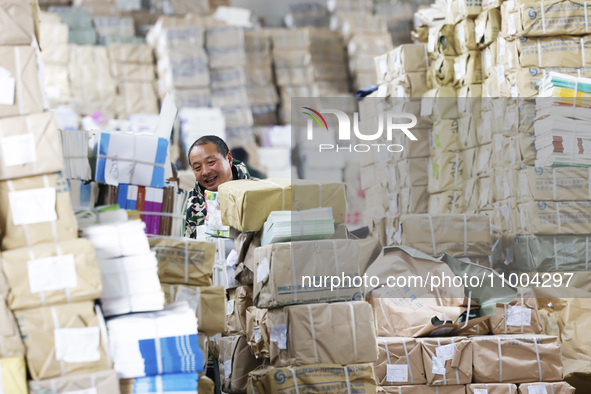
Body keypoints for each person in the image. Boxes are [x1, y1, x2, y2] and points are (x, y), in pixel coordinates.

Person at [184, 135, 250, 238]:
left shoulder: (254, 193)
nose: (205, 172)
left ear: (228, 159)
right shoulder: (187, 206)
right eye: (197, 168)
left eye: (211, 162)